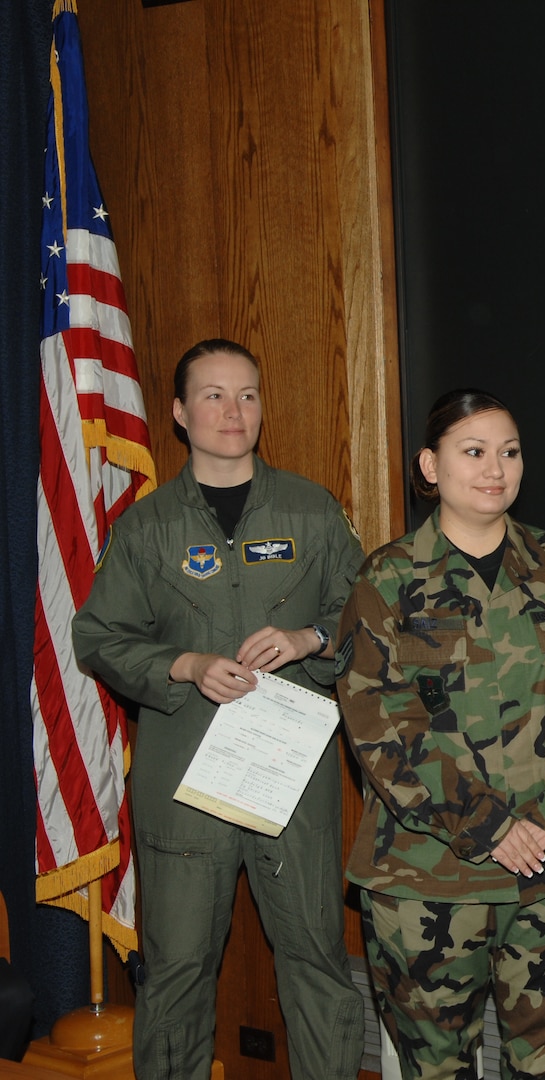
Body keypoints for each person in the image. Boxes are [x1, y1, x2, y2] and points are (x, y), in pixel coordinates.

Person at [72, 339, 364, 1080]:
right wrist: (185, 664)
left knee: (318, 964)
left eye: (247, 395)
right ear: (178, 412)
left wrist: (311, 637)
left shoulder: (311, 510)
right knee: (174, 974)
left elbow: (372, 617)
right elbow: (98, 637)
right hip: (185, 782)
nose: (233, 412)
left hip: (288, 784)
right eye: (213, 394)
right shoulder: (146, 528)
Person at [338, 389, 545, 1080]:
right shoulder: (387, 580)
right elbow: (381, 730)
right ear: (429, 466)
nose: (495, 468)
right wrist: (489, 826)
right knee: (436, 1070)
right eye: (473, 451)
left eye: (509, 451)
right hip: (429, 878)